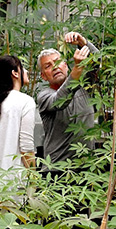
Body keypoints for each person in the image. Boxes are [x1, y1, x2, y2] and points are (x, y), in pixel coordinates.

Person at [37, 31, 98, 164]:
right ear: (43, 76)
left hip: (87, 166)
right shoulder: (44, 96)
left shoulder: (84, 85)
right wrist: (77, 68)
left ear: (66, 65)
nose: (54, 67)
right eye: (48, 66)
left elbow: (99, 64)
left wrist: (83, 43)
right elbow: (60, 101)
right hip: (58, 169)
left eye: (57, 62)